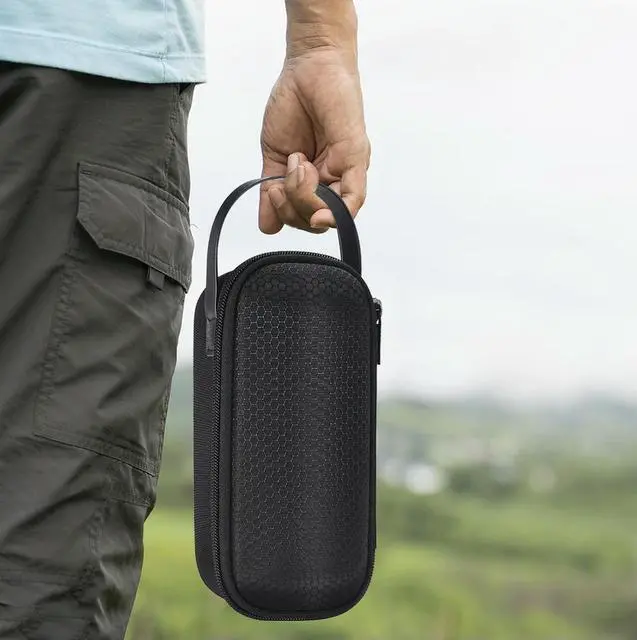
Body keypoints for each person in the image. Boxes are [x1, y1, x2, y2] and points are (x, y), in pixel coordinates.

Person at [0, 0, 370, 637]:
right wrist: (320, 39)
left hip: (75, 69)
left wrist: (319, 42)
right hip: (84, 63)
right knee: (36, 578)